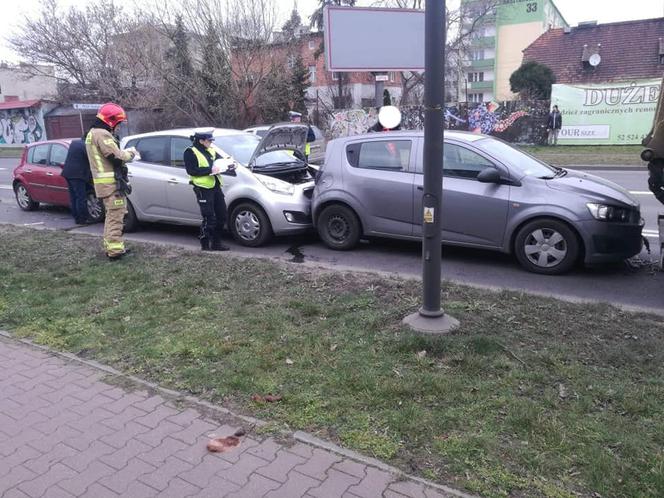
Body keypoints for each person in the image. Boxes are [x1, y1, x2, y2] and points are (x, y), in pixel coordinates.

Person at [85, 102, 137, 261]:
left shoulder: (92, 133)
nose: (119, 127)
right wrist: (130, 154)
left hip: (104, 185)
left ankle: (112, 247)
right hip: (111, 186)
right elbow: (115, 156)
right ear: (111, 121)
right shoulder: (102, 134)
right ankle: (115, 252)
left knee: (111, 217)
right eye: (118, 124)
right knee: (116, 217)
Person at [184, 131, 235, 251]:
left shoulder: (211, 150)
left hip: (215, 186)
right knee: (209, 218)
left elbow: (220, 161)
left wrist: (229, 165)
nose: (211, 142)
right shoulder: (190, 152)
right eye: (209, 140)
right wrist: (210, 170)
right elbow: (191, 171)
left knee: (222, 215)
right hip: (203, 188)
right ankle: (205, 244)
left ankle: (217, 243)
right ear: (201, 141)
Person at [62, 138, 94, 225]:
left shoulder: (74, 143)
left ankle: (76, 218)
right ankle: (83, 219)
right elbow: (93, 160)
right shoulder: (86, 146)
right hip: (78, 175)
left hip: (68, 173)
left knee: (73, 197)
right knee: (81, 197)